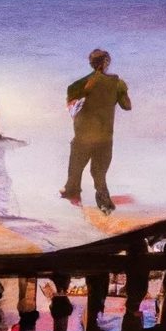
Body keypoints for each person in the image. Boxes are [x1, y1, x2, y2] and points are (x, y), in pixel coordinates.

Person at [63, 49, 132, 213]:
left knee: (76, 166)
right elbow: (127, 106)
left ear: (91, 64)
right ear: (107, 62)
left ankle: (72, 194)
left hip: (83, 136)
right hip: (104, 137)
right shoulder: (117, 84)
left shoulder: (76, 86)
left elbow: (71, 107)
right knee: (99, 172)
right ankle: (104, 203)